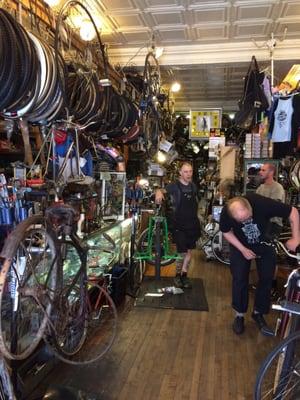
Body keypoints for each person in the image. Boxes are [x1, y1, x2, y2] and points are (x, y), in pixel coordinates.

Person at [219, 193, 299, 336]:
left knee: (267, 278)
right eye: (241, 220)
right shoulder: (227, 211)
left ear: (250, 208)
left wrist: (296, 238)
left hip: (264, 243)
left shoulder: (262, 204)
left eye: (248, 217)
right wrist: (243, 249)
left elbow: (293, 211)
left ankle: (258, 313)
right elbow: (226, 231)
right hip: (240, 245)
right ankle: (239, 315)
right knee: (239, 278)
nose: (245, 221)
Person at [155, 162, 201, 289]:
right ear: (180, 172)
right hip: (178, 224)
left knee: (189, 252)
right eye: (185, 171)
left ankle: (184, 275)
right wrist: (158, 192)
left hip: (192, 224)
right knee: (182, 251)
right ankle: (177, 275)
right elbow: (161, 190)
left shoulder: (193, 187)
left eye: (190, 171)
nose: (188, 174)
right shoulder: (174, 186)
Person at [256, 163, 285, 236]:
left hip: (273, 224)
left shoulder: (277, 187)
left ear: (271, 172)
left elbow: (272, 206)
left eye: (263, 170)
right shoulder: (260, 188)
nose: (260, 172)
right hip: (262, 222)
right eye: (260, 170)